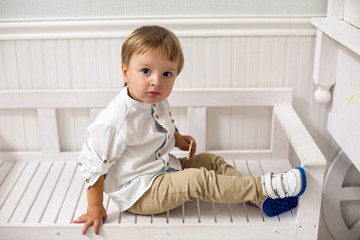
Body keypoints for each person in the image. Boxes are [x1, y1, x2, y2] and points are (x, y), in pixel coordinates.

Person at [73, 25, 307, 235]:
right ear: (126, 72)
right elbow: (94, 164)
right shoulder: (115, 119)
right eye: (146, 71)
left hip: (163, 169)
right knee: (197, 180)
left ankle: (259, 198)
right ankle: (265, 186)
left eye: (167, 74)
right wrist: (95, 207)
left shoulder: (155, 99)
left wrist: (177, 139)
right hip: (140, 192)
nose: (157, 81)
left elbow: (161, 123)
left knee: (211, 162)